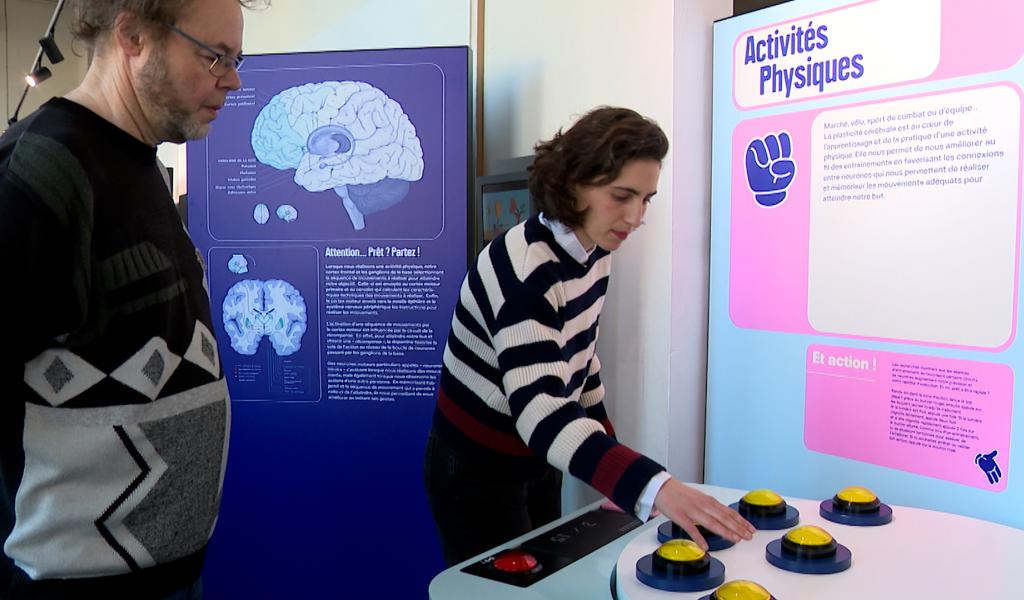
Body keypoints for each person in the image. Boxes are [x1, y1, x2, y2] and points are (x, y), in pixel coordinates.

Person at [0, 0, 263, 597]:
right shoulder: (43, 172)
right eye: (214, 56)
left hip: (166, 579)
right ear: (133, 35)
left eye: (236, 58)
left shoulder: (138, 164)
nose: (234, 78)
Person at [424, 106, 756, 566]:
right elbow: (540, 412)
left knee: (545, 578)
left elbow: (580, 359)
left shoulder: (595, 248)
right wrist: (652, 486)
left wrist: (614, 466)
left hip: (537, 454)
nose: (636, 217)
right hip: (478, 464)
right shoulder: (527, 270)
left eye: (646, 199)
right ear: (574, 180)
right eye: (622, 196)